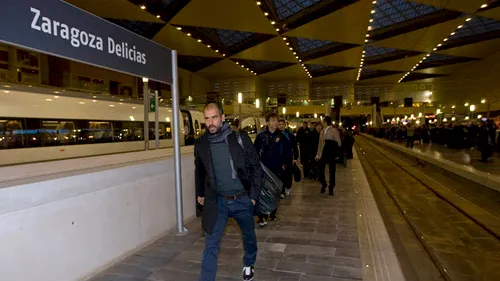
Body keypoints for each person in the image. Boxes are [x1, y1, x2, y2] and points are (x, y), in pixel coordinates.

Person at [195, 102, 263, 281]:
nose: (210, 123)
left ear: (222, 117)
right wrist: (200, 193)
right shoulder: (202, 144)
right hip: (218, 202)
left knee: (249, 236)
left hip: (242, 199)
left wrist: (253, 198)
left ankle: (249, 263)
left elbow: (256, 168)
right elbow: (200, 170)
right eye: (207, 118)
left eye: (214, 117)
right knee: (211, 244)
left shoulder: (239, 138)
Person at [254, 112, 291, 227]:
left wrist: (284, 165)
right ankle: (262, 216)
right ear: (267, 122)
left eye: (276, 120)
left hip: (277, 169)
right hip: (263, 170)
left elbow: (288, 153)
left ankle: (272, 212)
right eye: (273, 120)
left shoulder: (283, 137)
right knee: (262, 193)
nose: (276, 123)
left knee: (275, 192)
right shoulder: (261, 136)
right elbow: (254, 152)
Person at [315, 116, 341, 195]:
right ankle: (324, 183)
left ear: (326, 121)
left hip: (331, 153)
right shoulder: (322, 131)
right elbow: (320, 144)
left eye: (323, 120)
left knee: (332, 171)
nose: (322, 122)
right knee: (320, 170)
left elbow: (339, 143)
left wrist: (337, 154)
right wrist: (317, 154)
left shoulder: (334, 131)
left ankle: (331, 187)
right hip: (323, 153)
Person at [278, 119, 299, 196]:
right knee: (281, 174)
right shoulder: (275, 135)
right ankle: (282, 191)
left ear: (285, 125)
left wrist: (295, 158)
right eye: (279, 124)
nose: (280, 126)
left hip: (288, 158)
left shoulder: (290, 135)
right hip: (279, 158)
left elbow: (295, 147)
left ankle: (288, 187)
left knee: (288, 174)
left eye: (282, 124)